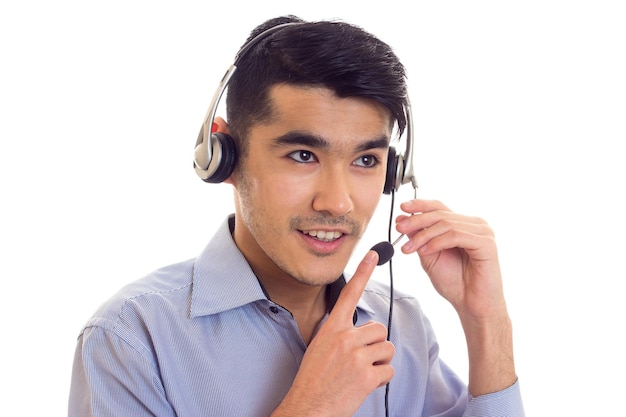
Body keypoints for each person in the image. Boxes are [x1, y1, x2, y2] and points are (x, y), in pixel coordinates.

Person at [69, 15, 525, 416]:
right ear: (223, 154)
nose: (338, 202)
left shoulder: (400, 323)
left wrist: (486, 321)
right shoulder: (131, 337)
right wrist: (313, 408)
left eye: (366, 161)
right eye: (303, 155)